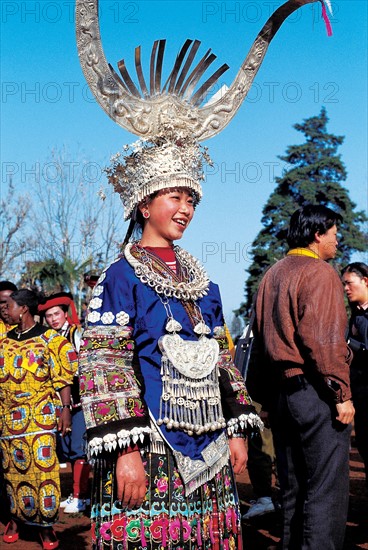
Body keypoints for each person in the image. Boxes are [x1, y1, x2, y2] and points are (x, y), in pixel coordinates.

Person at [79, 134, 262, 549]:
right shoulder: (120, 277)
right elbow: (104, 366)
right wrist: (125, 452)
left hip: (211, 446)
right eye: (175, 198)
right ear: (144, 205)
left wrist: (235, 429)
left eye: (192, 201)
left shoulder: (204, 285)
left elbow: (223, 362)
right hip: (148, 445)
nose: (186, 210)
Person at [255, 205, 355, 550]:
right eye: (334, 233)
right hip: (315, 393)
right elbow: (324, 342)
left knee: (293, 488)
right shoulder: (321, 272)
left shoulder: (272, 275)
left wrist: (268, 400)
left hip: (283, 397)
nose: (337, 240)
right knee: (325, 491)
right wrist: (342, 394)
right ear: (317, 234)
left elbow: (259, 340)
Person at [0, 289, 78, 549]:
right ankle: (16, 519)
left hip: (41, 416)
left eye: (7, 305)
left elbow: (63, 377)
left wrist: (65, 408)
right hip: (8, 419)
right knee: (12, 472)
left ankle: (46, 527)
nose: (3, 309)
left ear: (23, 309)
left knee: (44, 471)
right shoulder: (3, 341)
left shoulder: (50, 340)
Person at [38, 292, 91, 513]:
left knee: (79, 446)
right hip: (57, 399)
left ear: (65, 313)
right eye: (49, 316)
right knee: (67, 447)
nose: (53, 319)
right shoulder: (47, 337)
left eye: (56, 314)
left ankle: (83, 496)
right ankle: (75, 494)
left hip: (78, 397)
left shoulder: (77, 334)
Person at [341, 262, 368, 487]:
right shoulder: (355, 316)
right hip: (362, 398)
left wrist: (351, 346)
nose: (346, 289)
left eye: (349, 283)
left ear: (365, 281)